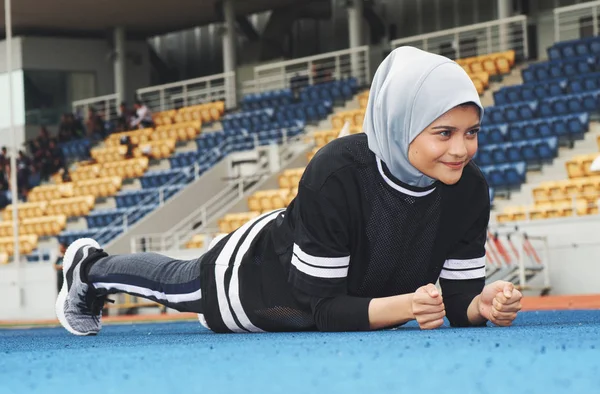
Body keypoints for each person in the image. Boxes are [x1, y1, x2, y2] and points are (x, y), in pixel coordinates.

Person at [55, 46, 523, 336]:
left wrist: (483, 305)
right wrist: (406, 306)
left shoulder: (469, 190)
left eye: (472, 131)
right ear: (400, 124)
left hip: (353, 297)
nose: (462, 149)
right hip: (261, 281)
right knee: (179, 284)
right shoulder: (337, 171)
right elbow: (320, 309)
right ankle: (90, 268)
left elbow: (461, 305)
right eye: (444, 133)